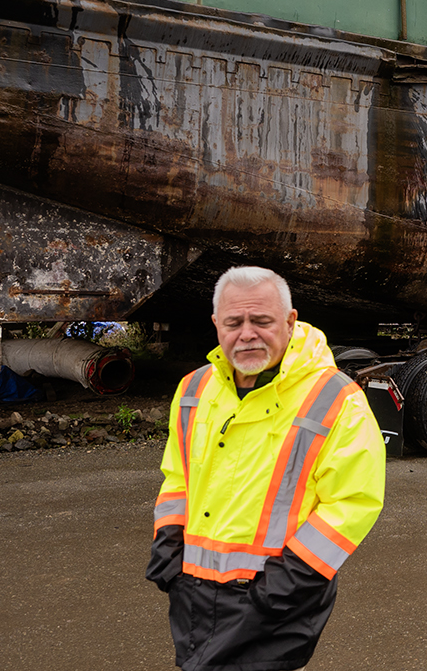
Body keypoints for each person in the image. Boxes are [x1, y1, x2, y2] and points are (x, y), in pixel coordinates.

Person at [147, 266, 386, 671]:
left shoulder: (335, 399)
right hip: (194, 592)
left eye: (261, 321)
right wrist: (168, 548)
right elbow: (178, 476)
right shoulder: (193, 389)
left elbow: (352, 503)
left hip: (277, 599)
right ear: (215, 325)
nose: (247, 334)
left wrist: (282, 586)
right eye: (233, 323)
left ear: (290, 322)